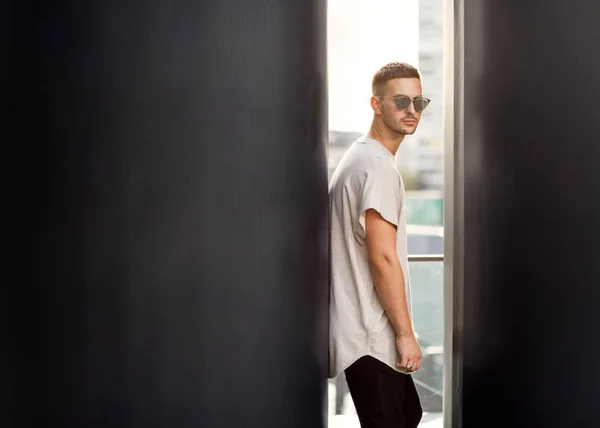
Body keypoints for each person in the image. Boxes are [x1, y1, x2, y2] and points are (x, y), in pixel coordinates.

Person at [328, 62, 430, 428]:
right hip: (369, 337)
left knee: (410, 414)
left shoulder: (362, 158)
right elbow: (383, 258)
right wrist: (406, 335)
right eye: (401, 100)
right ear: (376, 103)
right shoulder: (376, 168)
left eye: (419, 102)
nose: (411, 110)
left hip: (368, 334)